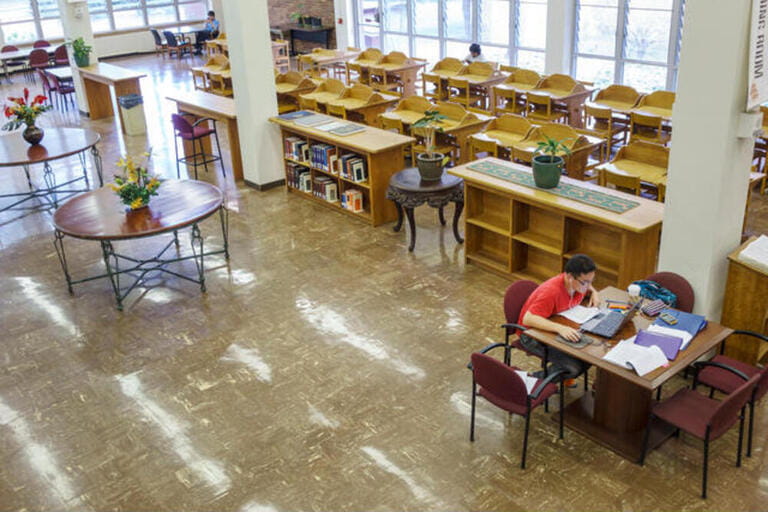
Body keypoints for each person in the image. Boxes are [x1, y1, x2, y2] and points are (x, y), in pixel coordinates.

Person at [517, 254, 601, 380]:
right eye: (585, 282)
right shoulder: (552, 292)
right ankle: (531, 381)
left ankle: (556, 377)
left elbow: (587, 284)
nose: (587, 286)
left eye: (591, 281)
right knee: (573, 368)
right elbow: (528, 319)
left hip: (552, 325)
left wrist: (594, 292)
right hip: (530, 335)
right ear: (569, 277)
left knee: (588, 357)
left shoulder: (578, 283)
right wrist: (560, 328)